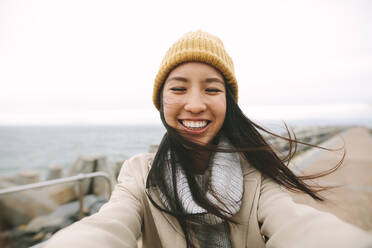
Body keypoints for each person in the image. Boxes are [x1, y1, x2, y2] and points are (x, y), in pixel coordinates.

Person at [44, 30, 372, 248]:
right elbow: (109, 225)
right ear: (161, 100)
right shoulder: (138, 173)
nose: (196, 104)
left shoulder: (257, 171)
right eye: (178, 88)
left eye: (212, 89)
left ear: (228, 102)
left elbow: (297, 224)